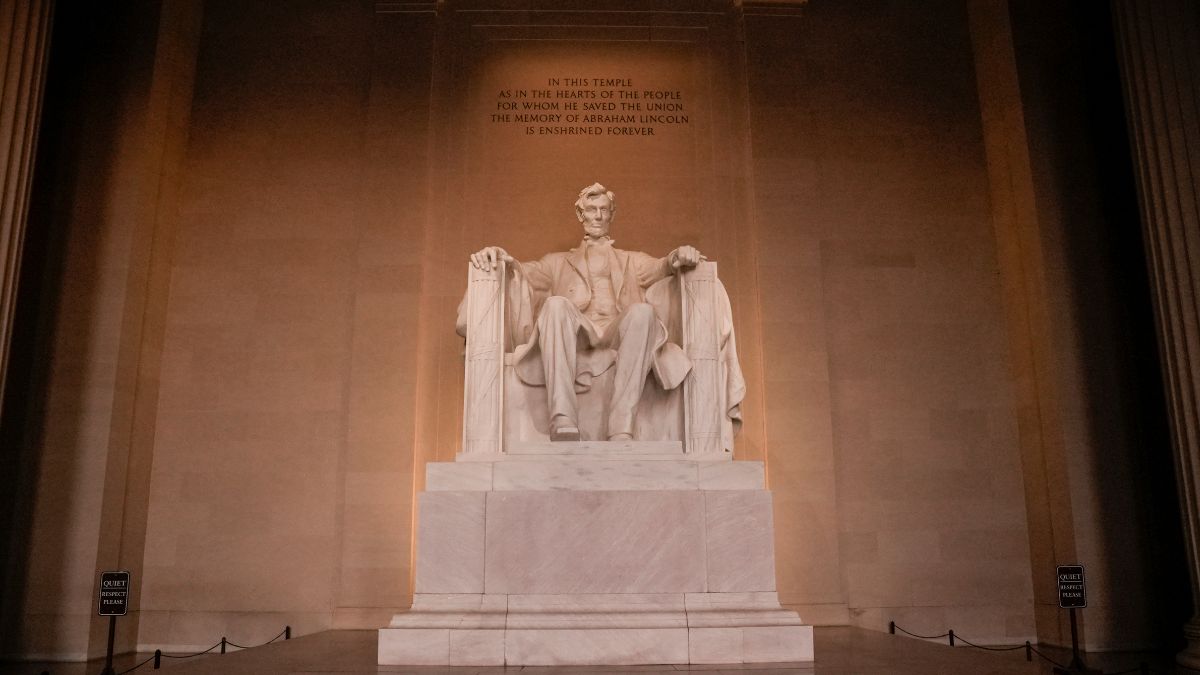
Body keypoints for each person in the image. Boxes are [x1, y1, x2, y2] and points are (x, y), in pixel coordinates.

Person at [468, 183, 703, 441]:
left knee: (644, 313)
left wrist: (678, 255)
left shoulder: (631, 260)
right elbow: (523, 271)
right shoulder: (557, 262)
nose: (598, 216)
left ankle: (621, 425)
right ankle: (563, 418)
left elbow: (661, 267)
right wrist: (501, 257)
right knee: (555, 305)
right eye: (592, 210)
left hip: (617, 331)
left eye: (604, 210)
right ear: (581, 215)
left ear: (612, 215)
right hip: (578, 331)